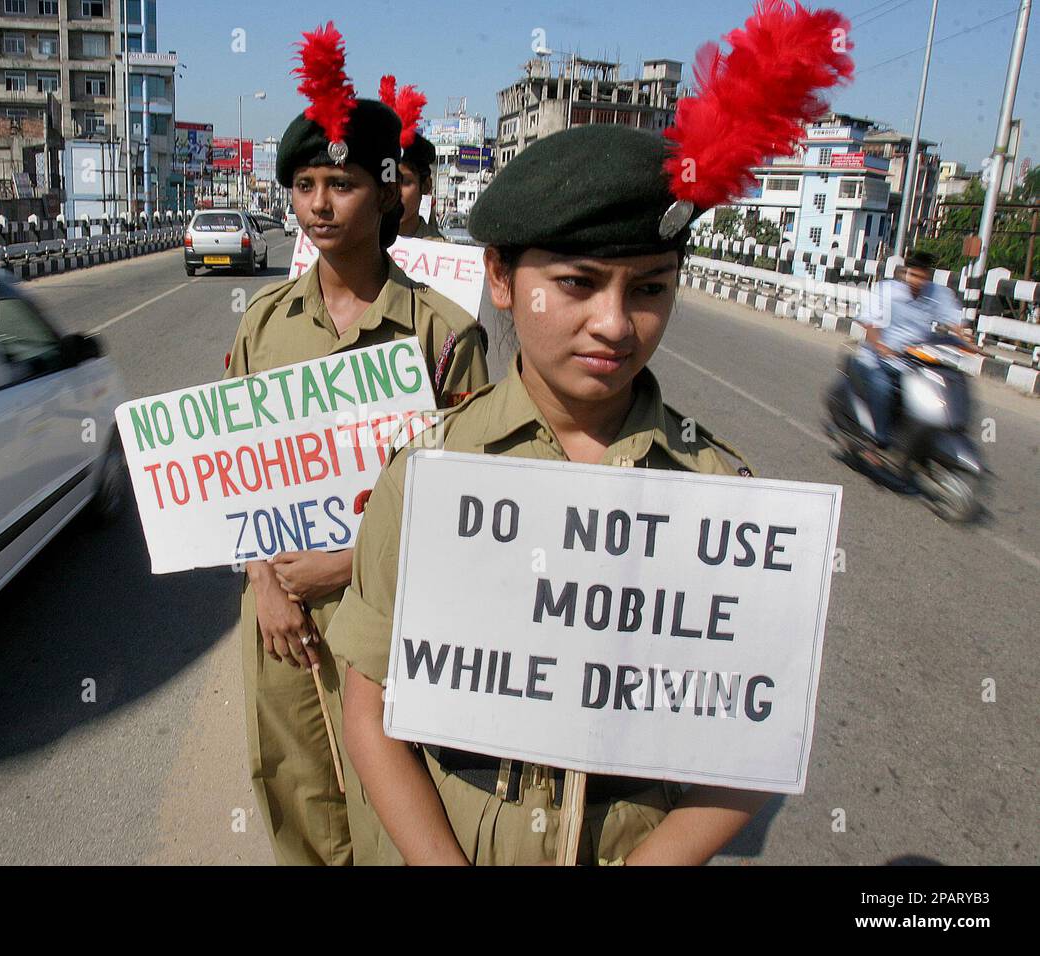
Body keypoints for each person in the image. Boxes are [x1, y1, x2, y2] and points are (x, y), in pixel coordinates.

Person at [325, 0, 853, 865]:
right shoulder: (429, 473)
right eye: (576, 283)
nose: (614, 323)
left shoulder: (722, 500)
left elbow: (753, 747)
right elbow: (370, 707)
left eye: (648, 288)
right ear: (501, 277)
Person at [224, 21, 489, 866]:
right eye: (304, 185)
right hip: (279, 616)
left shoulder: (444, 337)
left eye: (340, 183)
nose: (320, 205)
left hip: (392, 621)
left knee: (391, 797)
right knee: (296, 783)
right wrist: (266, 581)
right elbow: (235, 474)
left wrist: (348, 565)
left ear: (385, 195)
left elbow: (470, 506)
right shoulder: (263, 325)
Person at [856, 249, 969, 455]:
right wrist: (880, 346)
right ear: (905, 273)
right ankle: (877, 442)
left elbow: (954, 320)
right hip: (881, 359)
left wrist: (965, 339)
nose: (918, 281)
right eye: (914, 275)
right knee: (882, 386)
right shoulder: (887, 290)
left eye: (923, 276)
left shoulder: (937, 293)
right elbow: (870, 323)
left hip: (917, 362)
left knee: (947, 385)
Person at [379, 76, 444, 242]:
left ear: (426, 185)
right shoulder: (355, 247)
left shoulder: (442, 253)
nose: (392, 192)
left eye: (404, 182)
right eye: (384, 179)